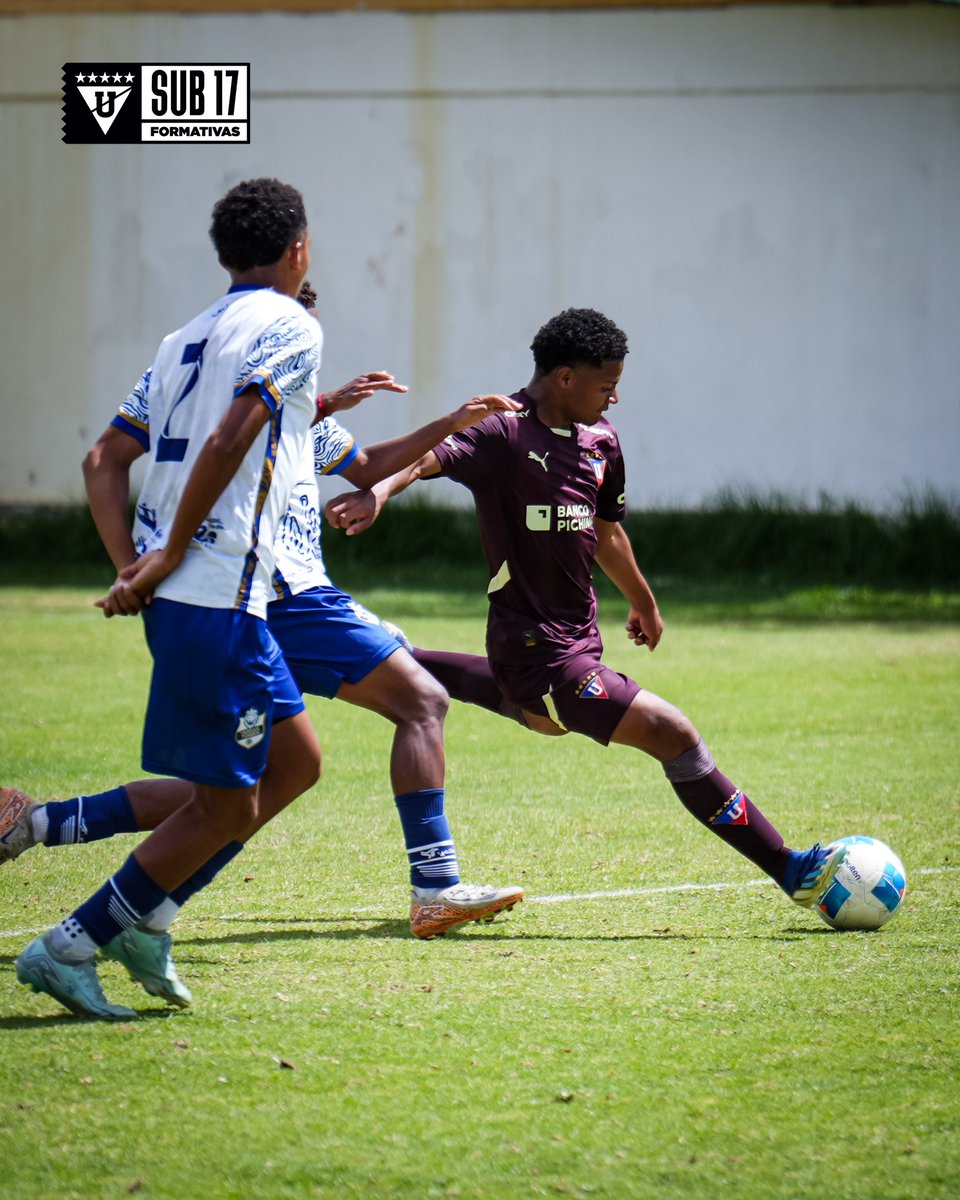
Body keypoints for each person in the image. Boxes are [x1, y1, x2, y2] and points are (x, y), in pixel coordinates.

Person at [2, 285, 522, 1012]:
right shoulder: (260, 389)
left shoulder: (216, 370)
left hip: (240, 595)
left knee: (258, 781)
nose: (310, 327)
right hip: (273, 595)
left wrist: (421, 421)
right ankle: (433, 887)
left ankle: (52, 833)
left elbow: (364, 465)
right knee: (417, 703)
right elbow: (209, 447)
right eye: (301, 313)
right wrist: (150, 560)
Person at [323, 307, 849, 911]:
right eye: (607, 384)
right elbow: (426, 459)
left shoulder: (601, 442)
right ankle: (790, 869)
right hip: (535, 647)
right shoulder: (504, 431)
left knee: (544, 719)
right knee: (672, 733)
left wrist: (644, 602)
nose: (616, 397)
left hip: (576, 641)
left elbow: (606, 530)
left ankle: (393, 655)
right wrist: (377, 492)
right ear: (565, 377)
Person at [12, 176, 325, 1020]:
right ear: (297, 248)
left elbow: (101, 461)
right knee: (228, 804)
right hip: (217, 591)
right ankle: (70, 944)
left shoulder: (182, 336)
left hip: (200, 594)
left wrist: (133, 566)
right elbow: (230, 438)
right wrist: (174, 551)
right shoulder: (293, 323)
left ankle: (146, 917)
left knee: (296, 763)